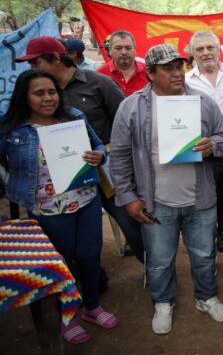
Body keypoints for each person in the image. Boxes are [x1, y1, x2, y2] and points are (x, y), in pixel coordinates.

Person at [110, 44, 223, 335]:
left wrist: (211, 146)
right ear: (150, 73)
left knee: (203, 254)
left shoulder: (201, 102)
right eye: (168, 68)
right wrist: (128, 197)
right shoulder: (131, 106)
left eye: (179, 66)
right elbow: (119, 156)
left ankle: (206, 296)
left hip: (199, 199)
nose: (177, 73)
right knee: (160, 259)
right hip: (157, 202)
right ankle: (163, 302)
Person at [0, 69, 117, 344]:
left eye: (51, 92)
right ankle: (68, 317)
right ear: (24, 97)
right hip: (47, 208)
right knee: (63, 263)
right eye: (38, 93)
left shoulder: (74, 116)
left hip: (86, 199)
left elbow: (97, 143)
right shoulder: (12, 128)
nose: (47, 98)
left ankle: (91, 307)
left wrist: (99, 155)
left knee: (89, 256)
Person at [17, 37, 144, 261]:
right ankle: (86, 277)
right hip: (60, 182)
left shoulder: (99, 83)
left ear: (56, 58)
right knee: (74, 237)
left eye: (36, 64)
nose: (33, 69)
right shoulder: (36, 91)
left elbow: (131, 124)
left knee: (130, 224)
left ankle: (154, 270)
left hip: (107, 173)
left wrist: (106, 150)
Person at [184, 31, 223, 253]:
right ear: (192, 53)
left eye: (210, 47)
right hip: (204, 152)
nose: (206, 52)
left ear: (218, 50)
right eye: (200, 49)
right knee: (209, 195)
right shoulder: (186, 81)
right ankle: (208, 238)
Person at [97, 30, 148, 96]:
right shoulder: (100, 75)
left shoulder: (150, 73)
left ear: (135, 49)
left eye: (128, 48)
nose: (124, 52)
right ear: (110, 51)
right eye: (118, 48)